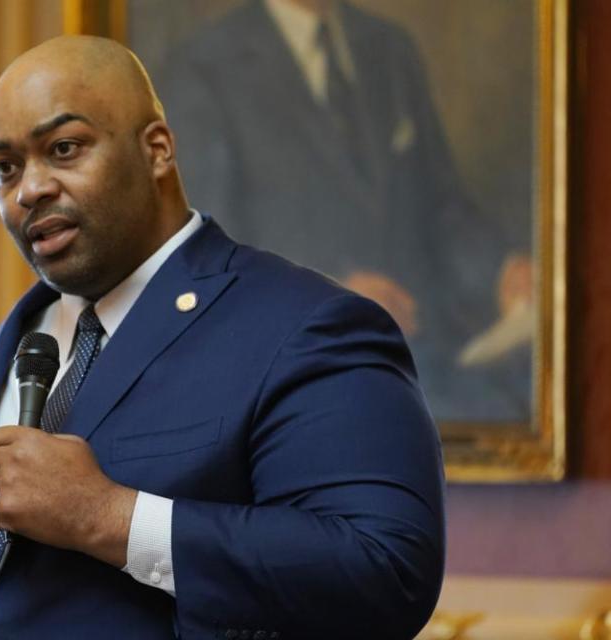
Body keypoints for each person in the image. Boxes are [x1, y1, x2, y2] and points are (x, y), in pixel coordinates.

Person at [0, 35, 445, 639]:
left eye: (62, 149)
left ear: (157, 149)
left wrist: (110, 517)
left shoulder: (304, 329)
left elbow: (386, 570)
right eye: (5, 167)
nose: (28, 188)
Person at [155, 0, 533, 422]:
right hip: (296, 377)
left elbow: (442, 208)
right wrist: (326, 296)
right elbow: (204, 254)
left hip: (428, 353)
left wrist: (500, 270)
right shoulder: (205, 66)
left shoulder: (389, 48)